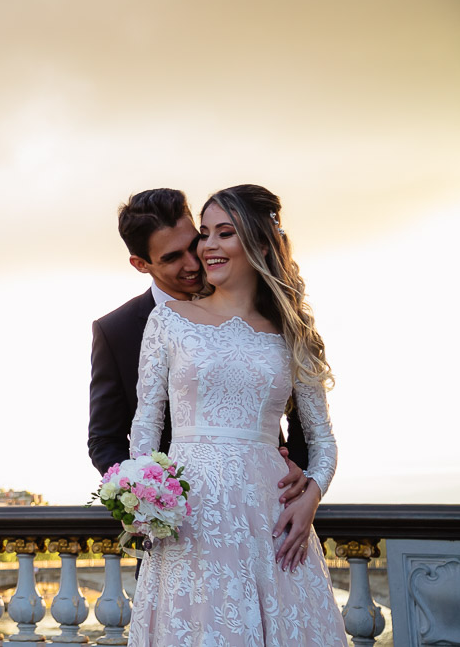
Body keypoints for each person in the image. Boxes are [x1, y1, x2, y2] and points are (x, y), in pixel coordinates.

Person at [127, 184, 346, 645]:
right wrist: (148, 501)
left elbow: (322, 440)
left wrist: (312, 495)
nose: (207, 246)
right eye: (204, 233)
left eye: (224, 233)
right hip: (190, 517)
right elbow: (145, 426)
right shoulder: (168, 322)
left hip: (271, 517)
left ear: (261, 243)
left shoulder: (292, 332)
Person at [88, 188, 310, 498]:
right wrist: (147, 497)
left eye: (195, 244)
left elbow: (304, 417)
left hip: (268, 497)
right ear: (141, 264)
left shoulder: (263, 308)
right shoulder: (116, 331)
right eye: (172, 257)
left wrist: (302, 483)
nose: (194, 263)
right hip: (184, 515)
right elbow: (105, 439)